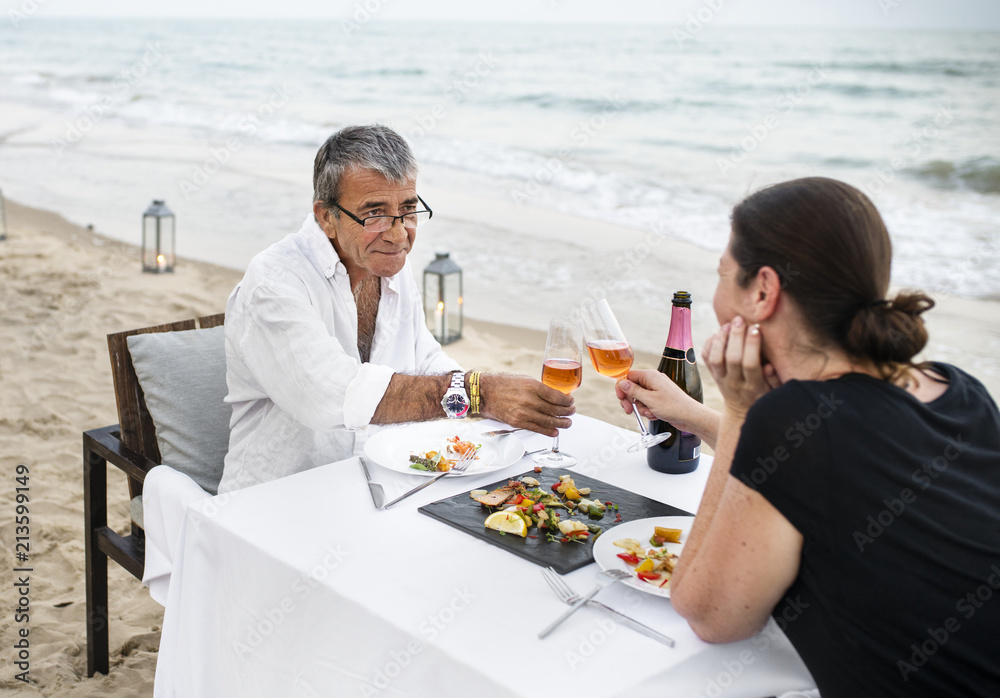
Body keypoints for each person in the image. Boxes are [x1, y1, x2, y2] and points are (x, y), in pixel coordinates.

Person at [616, 177, 1000, 696]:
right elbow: (830, 471)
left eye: (723, 275)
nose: (716, 297)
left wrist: (738, 409)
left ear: (763, 291)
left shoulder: (788, 420)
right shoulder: (960, 390)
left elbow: (707, 614)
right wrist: (694, 414)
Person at [219, 125, 573, 493]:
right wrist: (476, 392)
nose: (399, 234)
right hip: (274, 503)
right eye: (375, 213)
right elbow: (332, 396)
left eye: (407, 210)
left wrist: (497, 410)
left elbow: (423, 359)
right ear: (326, 217)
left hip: (376, 486)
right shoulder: (273, 281)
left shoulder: (386, 263)